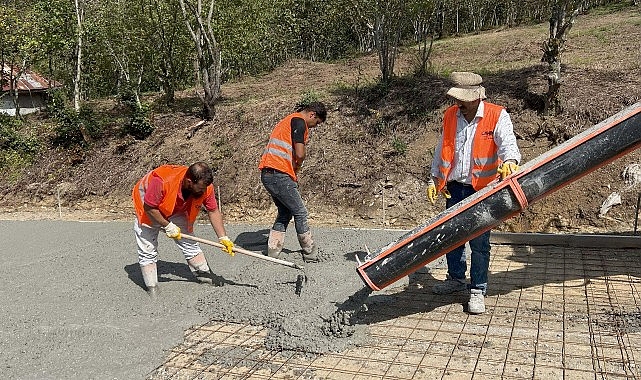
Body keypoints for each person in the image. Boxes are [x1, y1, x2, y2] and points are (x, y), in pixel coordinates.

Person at [427, 72, 521, 314]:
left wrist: (510, 160)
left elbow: (508, 143)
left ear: (478, 97)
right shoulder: (451, 115)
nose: (459, 105)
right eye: (457, 99)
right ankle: (455, 278)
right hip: (454, 187)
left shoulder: (496, 115)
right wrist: (434, 178)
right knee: (451, 237)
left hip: (482, 189)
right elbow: (442, 148)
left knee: (479, 242)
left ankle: (477, 288)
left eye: (464, 100)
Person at [132, 162, 235, 297]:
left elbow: (213, 210)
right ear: (189, 181)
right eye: (200, 188)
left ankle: (204, 275)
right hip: (148, 208)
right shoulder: (162, 181)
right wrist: (167, 225)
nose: (203, 192)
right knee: (147, 248)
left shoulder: (205, 187)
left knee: (189, 241)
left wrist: (223, 237)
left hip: (175, 207)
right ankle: (152, 287)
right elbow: (150, 208)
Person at [258, 102, 327, 262]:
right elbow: (300, 153)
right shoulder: (299, 121)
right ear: (312, 115)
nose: (315, 127)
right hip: (279, 174)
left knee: (285, 212)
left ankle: (273, 250)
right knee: (300, 212)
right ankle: (310, 252)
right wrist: (298, 165)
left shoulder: (287, 120)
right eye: (316, 123)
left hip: (269, 173)